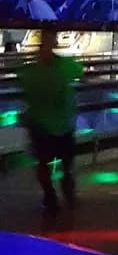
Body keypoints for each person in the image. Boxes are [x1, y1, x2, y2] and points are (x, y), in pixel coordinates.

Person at [17, 28, 83, 216]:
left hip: (57, 125)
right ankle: (53, 196)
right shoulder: (36, 70)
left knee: (60, 167)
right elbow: (81, 74)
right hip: (46, 126)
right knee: (49, 165)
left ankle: (60, 194)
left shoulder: (32, 71)